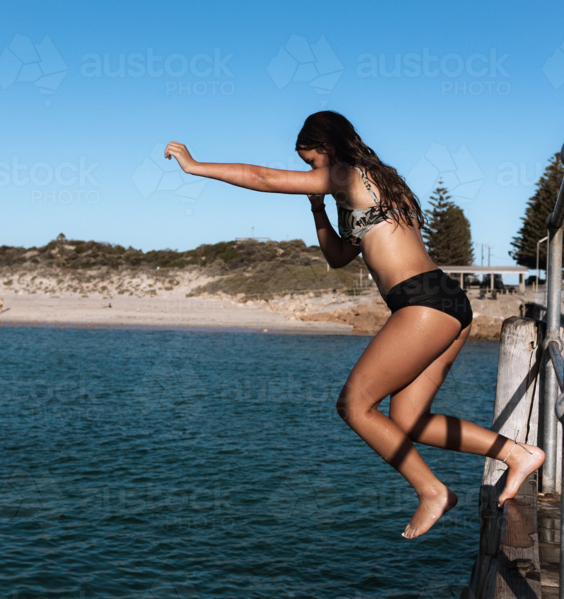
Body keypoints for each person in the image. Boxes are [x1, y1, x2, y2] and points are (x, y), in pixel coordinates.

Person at [164, 111, 544, 539]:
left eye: (311, 162)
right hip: (444, 304)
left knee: (354, 405)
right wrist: (317, 208)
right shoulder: (376, 184)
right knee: (409, 420)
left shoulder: (352, 174)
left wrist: (196, 167)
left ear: (327, 149)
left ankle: (432, 490)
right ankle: (517, 453)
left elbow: (264, 178)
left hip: (423, 304)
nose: (311, 172)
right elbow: (338, 258)